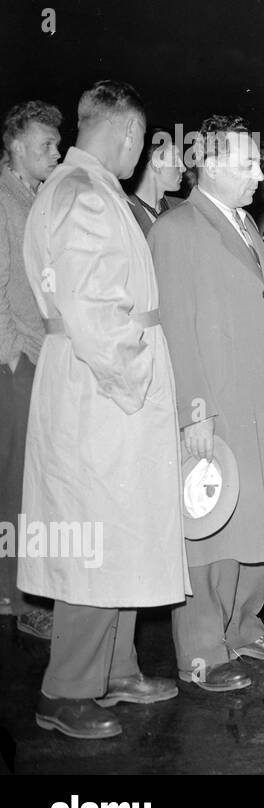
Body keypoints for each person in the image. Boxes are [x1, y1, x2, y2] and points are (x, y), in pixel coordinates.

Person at [21, 80, 186, 738]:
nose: (140, 154)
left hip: (107, 387)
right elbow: (94, 310)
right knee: (93, 534)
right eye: (141, 141)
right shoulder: (83, 195)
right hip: (103, 388)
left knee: (119, 531)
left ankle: (115, 668)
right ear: (125, 134)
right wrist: (134, 377)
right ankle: (65, 690)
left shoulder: (87, 189)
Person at [151, 115, 264, 692]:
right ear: (209, 166)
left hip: (258, 398)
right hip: (213, 408)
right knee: (209, 530)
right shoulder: (177, 230)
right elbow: (174, 333)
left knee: (254, 520)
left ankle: (243, 626)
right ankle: (201, 650)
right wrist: (196, 415)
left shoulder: (245, 224)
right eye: (246, 166)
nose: (259, 179)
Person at [1, 100, 61, 640]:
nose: (57, 152)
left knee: (34, 479)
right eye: (46, 144)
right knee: (18, 482)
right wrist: (11, 354)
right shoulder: (4, 199)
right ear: (17, 145)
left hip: (42, 356)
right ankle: (16, 597)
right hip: (17, 361)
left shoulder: (38, 195)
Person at [125, 128, 184, 236]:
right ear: (156, 163)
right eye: (176, 160)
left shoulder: (185, 208)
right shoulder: (123, 212)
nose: (183, 168)